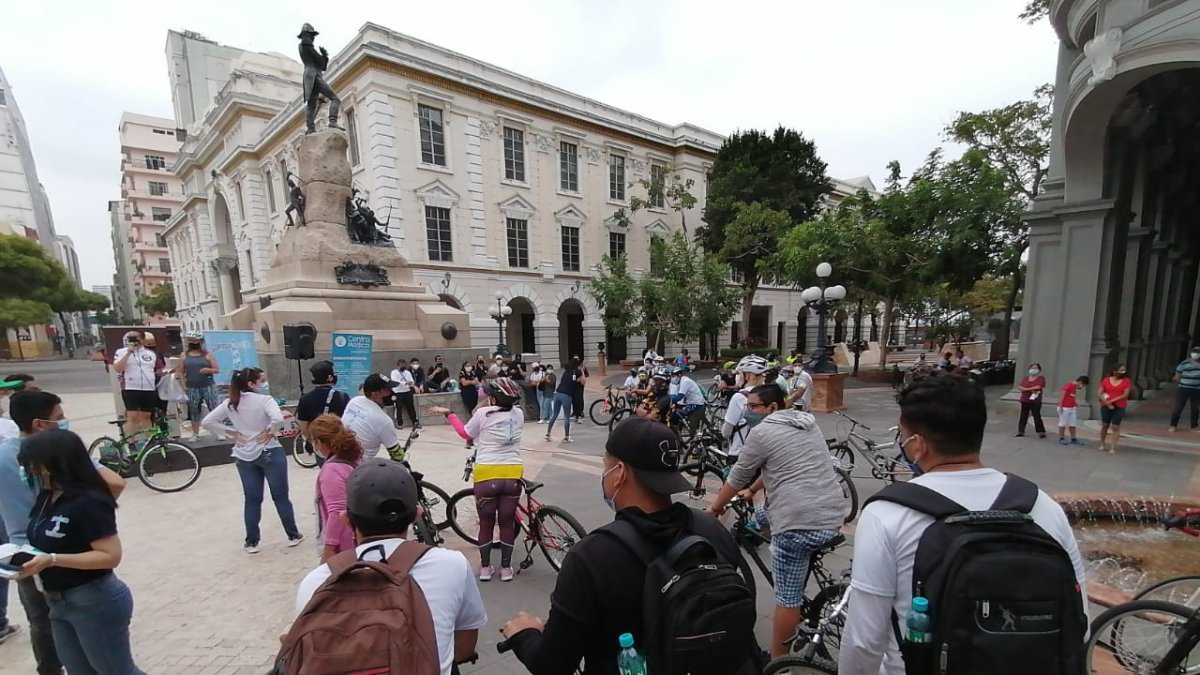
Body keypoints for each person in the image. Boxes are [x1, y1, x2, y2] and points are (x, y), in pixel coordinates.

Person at [838, 372, 1088, 675]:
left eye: (902, 435)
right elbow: (1079, 619)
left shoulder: (887, 514)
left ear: (918, 445)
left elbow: (864, 641)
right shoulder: (1043, 506)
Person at [500, 417, 761, 674]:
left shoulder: (590, 557)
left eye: (605, 466)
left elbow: (553, 665)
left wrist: (525, 634)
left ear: (620, 473)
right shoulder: (712, 529)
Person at [293, 459, 487, 675]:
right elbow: (465, 646)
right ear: (416, 514)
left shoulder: (315, 582)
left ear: (346, 520)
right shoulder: (451, 565)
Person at [708, 384, 845, 657]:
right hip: (831, 514)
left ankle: (777, 664)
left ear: (772, 407)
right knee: (761, 513)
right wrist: (753, 490)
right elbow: (776, 464)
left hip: (799, 522)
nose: (748, 412)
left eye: (753, 407)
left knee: (787, 599)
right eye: (746, 406)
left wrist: (715, 508)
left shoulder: (762, 432)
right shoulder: (807, 423)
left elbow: (738, 475)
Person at [0, 390, 125, 674]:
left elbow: (110, 555)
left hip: (32, 558)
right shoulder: (58, 457)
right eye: (59, 417)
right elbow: (115, 483)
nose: (29, 471)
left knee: (42, 626)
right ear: (39, 424)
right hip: (62, 561)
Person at [16, 430, 146, 675]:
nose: (31, 471)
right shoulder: (47, 497)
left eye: (35, 465)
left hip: (93, 600)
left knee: (116, 671)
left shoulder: (89, 502)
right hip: (57, 601)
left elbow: (110, 556)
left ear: (57, 463)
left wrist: (53, 560)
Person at [431, 377, 525, 582]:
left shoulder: (483, 414)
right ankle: (506, 569)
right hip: (512, 474)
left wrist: (450, 414)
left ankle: (485, 568)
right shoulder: (519, 414)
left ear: (493, 398)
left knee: (486, 523)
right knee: (507, 523)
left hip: (486, 475)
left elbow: (465, 433)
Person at [202, 367, 304, 553]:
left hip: (243, 453)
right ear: (251, 384)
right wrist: (270, 431)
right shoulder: (265, 400)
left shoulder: (231, 402)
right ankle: (293, 534)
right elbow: (277, 418)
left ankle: (252, 541)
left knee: (251, 499)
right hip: (268, 449)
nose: (265, 383)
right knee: (280, 496)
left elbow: (207, 422)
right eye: (262, 380)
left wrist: (232, 433)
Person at [308, 413, 364, 561]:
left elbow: (336, 512)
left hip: (345, 546)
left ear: (319, 442)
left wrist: (329, 548)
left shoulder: (332, 470)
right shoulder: (351, 459)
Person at [294, 360, 351, 466]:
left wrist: (312, 441)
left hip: (320, 445)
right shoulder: (342, 397)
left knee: (325, 469)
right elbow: (348, 423)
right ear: (329, 377)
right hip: (339, 444)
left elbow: (304, 427)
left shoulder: (305, 399)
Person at [342, 374, 404, 461]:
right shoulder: (384, 421)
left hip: (338, 456)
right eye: (387, 390)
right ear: (375, 394)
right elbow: (398, 455)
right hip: (359, 465)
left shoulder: (354, 401)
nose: (391, 392)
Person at [112, 330, 160, 438]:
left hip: (148, 388)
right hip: (130, 387)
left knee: (146, 416)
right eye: (131, 339)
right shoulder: (121, 352)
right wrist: (129, 353)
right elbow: (117, 368)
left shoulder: (150, 354)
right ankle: (130, 442)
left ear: (142, 340)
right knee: (133, 416)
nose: (134, 341)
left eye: (136, 339)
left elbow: (155, 369)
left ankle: (150, 440)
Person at [722, 355, 770, 459]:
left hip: (741, 453)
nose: (737, 376)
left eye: (739, 373)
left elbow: (726, 432)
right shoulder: (770, 395)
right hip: (765, 453)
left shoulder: (739, 397)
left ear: (748, 375)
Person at [177, 330, 220, 441]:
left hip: (208, 385)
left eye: (195, 341)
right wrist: (184, 386)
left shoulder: (208, 355)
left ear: (200, 342)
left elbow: (216, 369)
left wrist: (208, 370)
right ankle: (195, 434)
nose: (193, 343)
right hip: (192, 386)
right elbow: (180, 371)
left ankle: (219, 432)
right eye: (191, 340)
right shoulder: (184, 355)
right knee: (194, 410)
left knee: (214, 408)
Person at [545, 358, 584, 443]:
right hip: (566, 395)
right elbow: (583, 382)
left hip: (558, 393)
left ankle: (548, 433)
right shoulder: (578, 372)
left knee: (554, 415)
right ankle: (566, 437)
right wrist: (582, 370)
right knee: (567, 417)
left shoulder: (566, 372)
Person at [1098, 363, 1133, 455]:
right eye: (1120, 370)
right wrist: (1106, 402)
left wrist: (1112, 401)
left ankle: (1112, 447)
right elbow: (1099, 392)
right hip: (1106, 405)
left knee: (1115, 426)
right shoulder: (1106, 380)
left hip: (1119, 406)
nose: (1122, 372)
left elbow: (1125, 395)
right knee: (1105, 425)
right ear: (1114, 371)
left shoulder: (1126, 381)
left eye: (1123, 370)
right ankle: (1102, 444)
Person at [1169, 346, 1200, 432]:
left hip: (1197, 389)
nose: (1196, 354)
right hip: (1183, 388)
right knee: (1178, 407)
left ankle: (1194, 426)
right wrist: (1178, 380)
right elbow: (1177, 375)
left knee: (1196, 408)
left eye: (1198, 352)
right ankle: (1173, 425)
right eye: (1194, 352)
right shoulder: (1184, 363)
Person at [1016, 362, 1047, 438]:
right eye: (1032, 368)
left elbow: (1038, 387)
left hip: (1035, 400)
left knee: (1036, 415)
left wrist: (1026, 389)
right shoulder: (1025, 378)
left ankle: (1041, 432)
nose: (1033, 369)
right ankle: (1021, 431)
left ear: (1039, 370)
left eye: (1035, 368)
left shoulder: (1041, 378)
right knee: (1023, 415)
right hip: (1025, 399)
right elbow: (1020, 387)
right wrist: (1030, 389)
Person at [1057, 375, 1089, 446]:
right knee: (1063, 423)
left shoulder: (1074, 387)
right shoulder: (1069, 385)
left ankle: (1073, 439)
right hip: (1065, 407)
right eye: (1083, 385)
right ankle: (1061, 438)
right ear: (1081, 382)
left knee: (1072, 423)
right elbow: (1063, 394)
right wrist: (1061, 405)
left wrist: (1075, 403)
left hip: (1072, 407)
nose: (1082, 387)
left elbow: (1071, 396)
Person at [390, 358, 418, 428]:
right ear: (398, 366)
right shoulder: (394, 372)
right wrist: (405, 383)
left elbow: (412, 382)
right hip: (398, 392)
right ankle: (399, 423)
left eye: (404, 365)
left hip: (407, 392)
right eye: (401, 366)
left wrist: (410, 383)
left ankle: (415, 422)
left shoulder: (407, 373)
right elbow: (395, 381)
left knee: (411, 407)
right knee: (399, 408)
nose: (403, 367)